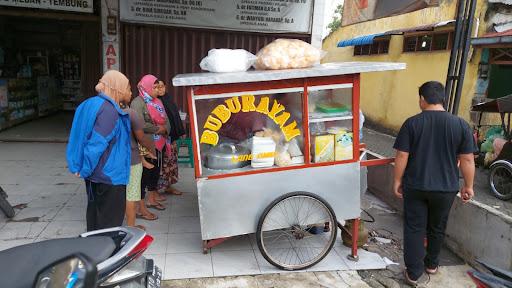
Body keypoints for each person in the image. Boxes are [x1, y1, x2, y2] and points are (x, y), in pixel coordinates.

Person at [393, 81, 477, 286]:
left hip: (416, 185)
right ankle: (431, 264)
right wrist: (469, 186)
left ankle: (413, 273)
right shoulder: (460, 125)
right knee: (437, 227)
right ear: (442, 99)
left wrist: (397, 180)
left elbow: (402, 155)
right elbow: (467, 159)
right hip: (445, 188)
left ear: (422, 99)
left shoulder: (412, 123)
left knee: (414, 227)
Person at [66, 70, 132, 232]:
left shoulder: (88, 104)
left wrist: (82, 168)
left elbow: (80, 135)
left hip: (96, 175)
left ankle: (93, 252)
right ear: (118, 88)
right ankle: (105, 255)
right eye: (128, 88)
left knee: (95, 217)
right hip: (109, 176)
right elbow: (96, 145)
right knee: (109, 226)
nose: (130, 92)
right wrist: (85, 169)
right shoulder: (109, 111)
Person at [131, 74, 172, 211]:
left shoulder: (158, 102)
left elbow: (166, 119)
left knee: (155, 171)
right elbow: (139, 124)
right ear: (146, 87)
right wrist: (157, 129)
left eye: (157, 87)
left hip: (159, 143)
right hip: (146, 145)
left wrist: (165, 129)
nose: (156, 90)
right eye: (154, 87)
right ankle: (141, 206)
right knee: (145, 174)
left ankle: (151, 200)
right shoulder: (138, 102)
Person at [125, 107, 158, 227]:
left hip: (122, 156)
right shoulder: (130, 111)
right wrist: (148, 149)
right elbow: (140, 136)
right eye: (128, 89)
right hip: (132, 157)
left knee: (127, 191)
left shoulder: (109, 110)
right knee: (132, 193)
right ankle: (131, 227)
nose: (129, 92)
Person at [157, 80, 185, 196]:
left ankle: (168, 186)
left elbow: (176, 117)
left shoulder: (168, 99)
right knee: (162, 164)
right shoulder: (155, 102)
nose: (160, 89)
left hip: (171, 138)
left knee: (171, 162)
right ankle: (156, 190)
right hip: (161, 139)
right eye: (157, 87)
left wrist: (181, 132)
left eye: (162, 86)